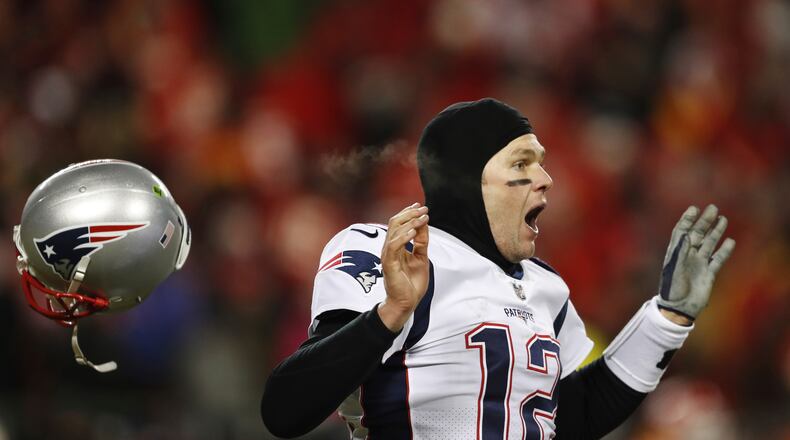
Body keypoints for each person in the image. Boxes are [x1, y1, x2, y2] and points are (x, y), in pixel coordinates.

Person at [261, 98, 735, 439]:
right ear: (470, 181)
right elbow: (285, 410)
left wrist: (666, 320)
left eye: (542, 163)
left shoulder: (545, 287)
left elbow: (576, 416)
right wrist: (390, 312)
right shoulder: (393, 251)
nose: (546, 180)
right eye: (522, 163)